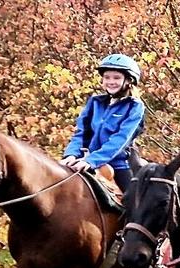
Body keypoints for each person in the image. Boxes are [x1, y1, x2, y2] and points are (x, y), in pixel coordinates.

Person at [61, 53, 146, 192]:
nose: (110, 81)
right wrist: (71, 154)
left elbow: (120, 139)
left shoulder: (135, 107)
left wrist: (92, 160)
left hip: (119, 165)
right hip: (85, 160)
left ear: (129, 80)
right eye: (107, 77)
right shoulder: (95, 102)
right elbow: (81, 133)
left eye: (116, 77)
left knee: (133, 206)